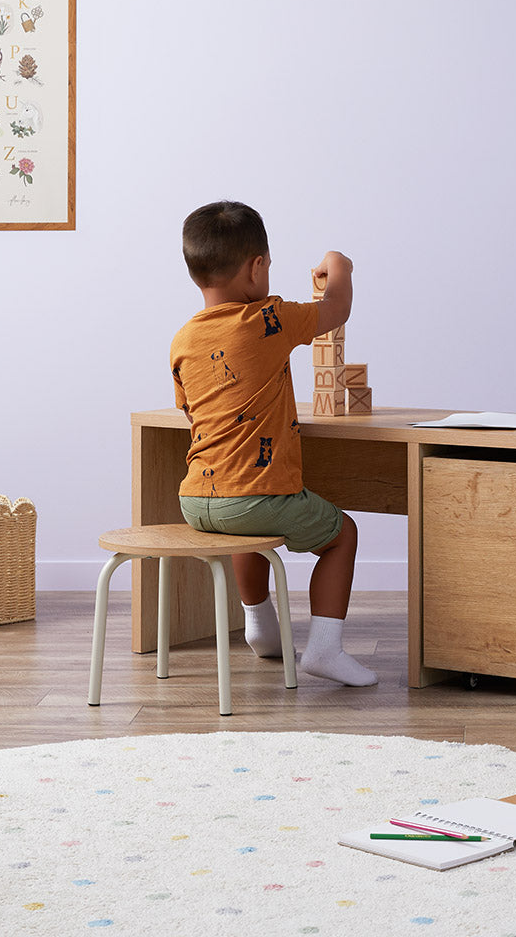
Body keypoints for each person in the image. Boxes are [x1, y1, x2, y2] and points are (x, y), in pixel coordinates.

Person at [169, 200, 377, 687]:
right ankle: (325, 650)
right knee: (343, 534)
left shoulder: (182, 340)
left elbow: (190, 412)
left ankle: (261, 629)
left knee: (245, 527)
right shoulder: (270, 318)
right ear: (256, 267)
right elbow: (336, 309)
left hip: (196, 500)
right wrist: (339, 265)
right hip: (254, 496)